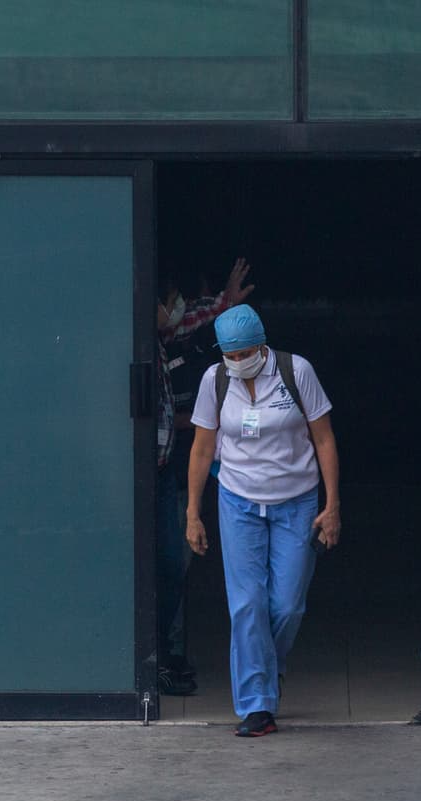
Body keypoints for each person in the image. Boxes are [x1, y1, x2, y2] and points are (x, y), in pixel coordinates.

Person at [185, 305, 341, 736]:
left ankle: (267, 667)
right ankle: (257, 705)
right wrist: (193, 512)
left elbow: (324, 439)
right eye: (230, 356)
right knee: (247, 603)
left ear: (262, 344)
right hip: (238, 503)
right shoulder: (214, 382)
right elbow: (201, 449)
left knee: (287, 605)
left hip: (297, 502)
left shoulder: (296, 372)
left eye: (245, 353)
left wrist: (333, 505)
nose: (238, 363)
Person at [156, 259, 254, 696]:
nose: (178, 311)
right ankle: (155, 656)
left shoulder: (173, 343)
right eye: (171, 303)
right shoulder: (140, 336)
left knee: (173, 565)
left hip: (168, 473)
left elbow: (193, 318)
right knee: (162, 565)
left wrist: (226, 303)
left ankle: (164, 654)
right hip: (140, 475)